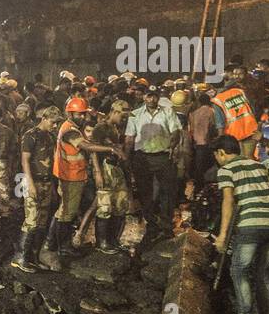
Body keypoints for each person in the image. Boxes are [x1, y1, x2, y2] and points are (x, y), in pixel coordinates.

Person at [212, 135, 269, 314]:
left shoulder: (226, 170)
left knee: (239, 271)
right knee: (263, 273)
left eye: (217, 156)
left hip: (250, 226)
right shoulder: (259, 165)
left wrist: (222, 235)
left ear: (221, 153)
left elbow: (228, 201)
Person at [50, 97, 120, 257]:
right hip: (70, 176)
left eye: (83, 114)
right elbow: (86, 146)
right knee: (68, 213)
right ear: (70, 113)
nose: (83, 117)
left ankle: (53, 243)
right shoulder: (70, 130)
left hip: (71, 174)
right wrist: (110, 149)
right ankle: (64, 248)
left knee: (63, 211)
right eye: (79, 114)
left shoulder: (72, 127)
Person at [125, 87, 183, 239]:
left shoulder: (168, 111)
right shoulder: (135, 114)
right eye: (148, 96)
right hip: (142, 158)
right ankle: (151, 223)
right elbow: (129, 138)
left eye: (154, 96)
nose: (151, 99)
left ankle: (166, 226)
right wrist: (126, 158)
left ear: (158, 97)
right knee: (146, 194)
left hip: (163, 157)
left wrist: (173, 144)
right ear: (144, 97)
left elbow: (176, 131)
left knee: (167, 193)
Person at [11, 106, 62, 273]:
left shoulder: (50, 136)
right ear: (44, 118)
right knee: (31, 220)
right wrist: (30, 183)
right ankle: (20, 257)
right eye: (53, 122)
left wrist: (53, 185)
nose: (55, 126)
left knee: (41, 221)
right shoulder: (30, 135)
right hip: (32, 181)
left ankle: (32, 256)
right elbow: (25, 160)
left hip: (46, 182)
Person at [90, 103, 133, 254]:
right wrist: (97, 172)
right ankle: (102, 242)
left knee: (120, 205)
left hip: (116, 168)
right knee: (105, 206)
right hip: (105, 167)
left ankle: (113, 240)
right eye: (122, 115)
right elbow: (93, 150)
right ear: (114, 112)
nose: (124, 119)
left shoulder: (116, 128)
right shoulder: (100, 128)